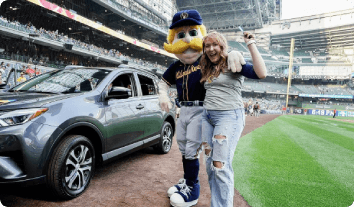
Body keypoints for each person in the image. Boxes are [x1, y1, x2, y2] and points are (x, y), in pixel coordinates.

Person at [158, 10, 246, 207]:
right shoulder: (176, 66)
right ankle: (187, 181)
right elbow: (163, 82)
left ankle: (193, 187)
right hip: (184, 110)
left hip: (202, 109)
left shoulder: (205, 59)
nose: (187, 40)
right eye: (181, 35)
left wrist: (232, 52)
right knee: (183, 146)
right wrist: (163, 95)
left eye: (192, 33)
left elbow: (220, 55)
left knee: (193, 149)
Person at [200, 31, 266, 207]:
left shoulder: (233, 60)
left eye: (215, 45)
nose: (211, 48)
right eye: (207, 46)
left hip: (228, 116)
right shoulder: (207, 65)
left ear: (222, 46)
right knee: (210, 165)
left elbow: (261, 73)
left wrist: (250, 44)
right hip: (207, 117)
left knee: (220, 165)